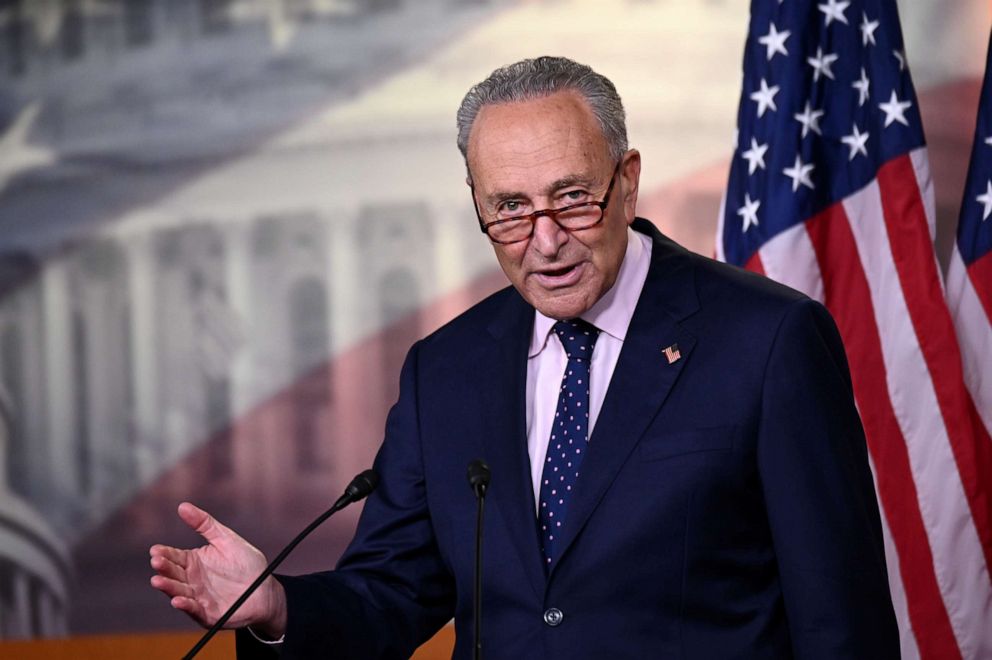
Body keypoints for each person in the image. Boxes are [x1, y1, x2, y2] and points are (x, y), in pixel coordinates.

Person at [150, 56, 900, 659]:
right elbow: (390, 595)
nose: (545, 241)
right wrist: (278, 605)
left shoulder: (767, 340)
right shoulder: (445, 371)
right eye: (510, 208)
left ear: (628, 180)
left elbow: (839, 622)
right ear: (476, 200)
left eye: (573, 198)